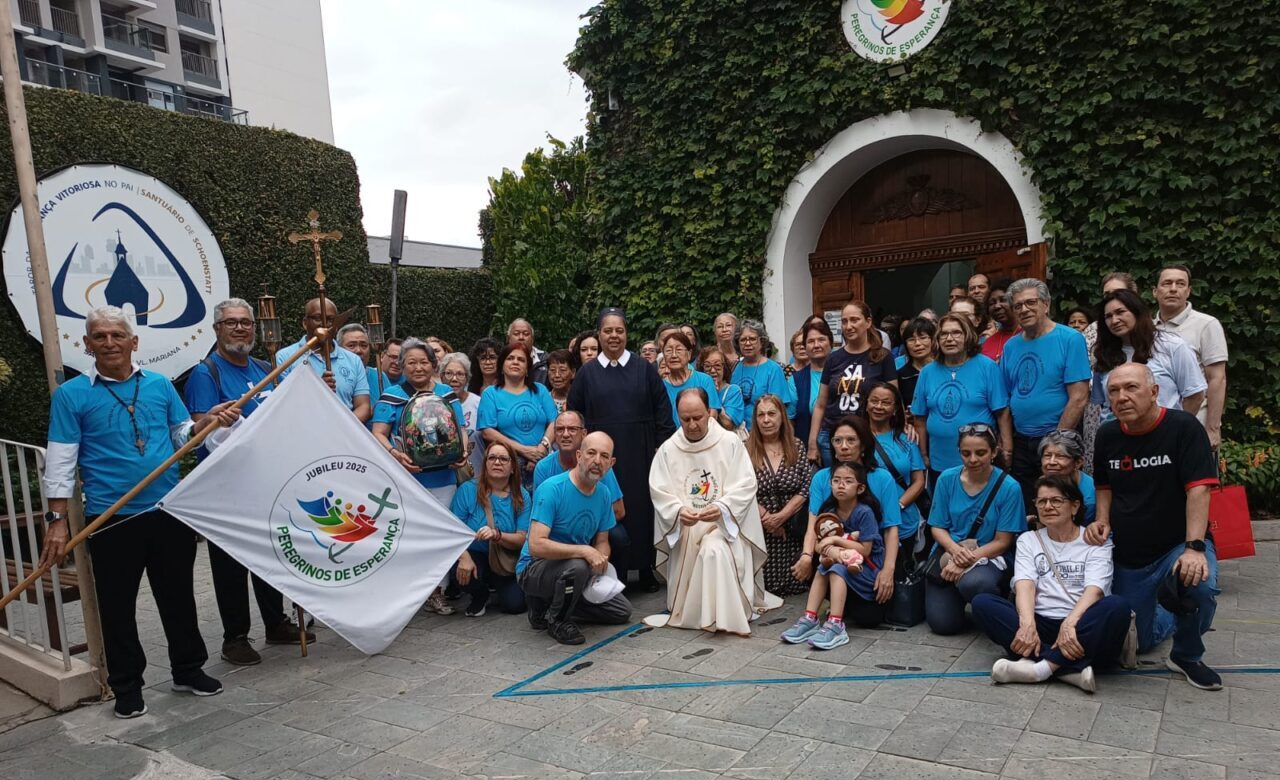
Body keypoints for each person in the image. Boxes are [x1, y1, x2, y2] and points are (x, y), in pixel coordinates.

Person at [41, 306, 241, 718]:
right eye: (100, 336)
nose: (109, 343)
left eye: (117, 335)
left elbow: (181, 433)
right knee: (117, 606)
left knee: (178, 596)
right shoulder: (72, 395)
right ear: (87, 344)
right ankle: (128, 686)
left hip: (168, 510)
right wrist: (57, 521)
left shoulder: (160, 385)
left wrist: (209, 423)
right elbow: (61, 461)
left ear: (134, 342)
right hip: (111, 518)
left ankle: (188, 669)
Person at [184, 299, 311, 666]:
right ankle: (235, 637)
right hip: (227, 489)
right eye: (231, 323)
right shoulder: (207, 373)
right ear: (217, 330)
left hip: (267, 481)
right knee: (231, 564)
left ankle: (276, 622)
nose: (239, 329)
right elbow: (200, 431)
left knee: (272, 554)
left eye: (245, 323)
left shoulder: (265, 368)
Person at [1085, 363, 1223, 690]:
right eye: (1114, 391)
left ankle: (1187, 654)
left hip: (1177, 545)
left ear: (1154, 391)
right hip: (1130, 554)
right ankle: (1174, 614)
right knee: (1141, 641)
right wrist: (1101, 521)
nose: (1121, 397)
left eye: (1131, 388)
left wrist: (1194, 548)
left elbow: (1199, 489)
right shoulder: (1107, 434)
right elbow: (1104, 486)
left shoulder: (1184, 427)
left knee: (1198, 585)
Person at [972, 474, 1130, 692]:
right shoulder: (1029, 539)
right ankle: (1069, 670)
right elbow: (1025, 584)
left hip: (1083, 627)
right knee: (983, 603)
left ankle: (1040, 669)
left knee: (1117, 606)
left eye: (1056, 501)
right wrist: (1027, 624)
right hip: (1041, 625)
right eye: (1042, 501)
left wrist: (1070, 623)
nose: (1048, 506)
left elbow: (1095, 590)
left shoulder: (1095, 541)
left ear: (1074, 506)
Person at [650, 389, 779, 634]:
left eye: (697, 417)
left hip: (724, 526)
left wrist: (722, 508)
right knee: (692, 539)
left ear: (709, 413)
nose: (692, 425)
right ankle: (694, 609)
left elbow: (746, 484)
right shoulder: (669, 449)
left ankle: (723, 614)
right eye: (685, 419)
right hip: (687, 526)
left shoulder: (729, 442)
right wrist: (678, 512)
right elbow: (659, 490)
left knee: (714, 550)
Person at [568, 308, 675, 592]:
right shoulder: (587, 374)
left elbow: (663, 413)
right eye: (608, 330)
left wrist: (659, 452)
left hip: (641, 456)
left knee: (643, 512)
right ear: (599, 334)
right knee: (609, 513)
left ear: (626, 333)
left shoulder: (644, 369)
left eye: (619, 330)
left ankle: (646, 568)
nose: (614, 336)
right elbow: (575, 416)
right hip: (600, 461)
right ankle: (615, 569)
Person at [518, 431, 633, 644]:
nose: (597, 461)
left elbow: (602, 541)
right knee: (578, 566)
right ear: (579, 456)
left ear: (611, 463)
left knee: (621, 611)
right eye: (591, 453)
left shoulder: (604, 494)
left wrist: (601, 560)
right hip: (535, 568)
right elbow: (536, 545)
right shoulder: (552, 489)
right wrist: (585, 552)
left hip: (573, 569)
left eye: (604, 456)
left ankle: (552, 603)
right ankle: (558, 621)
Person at [925, 423, 1027, 635]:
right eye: (966, 453)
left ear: (994, 452)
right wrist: (955, 552)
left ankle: (996, 605)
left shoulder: (1009, 487)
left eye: (981, 453)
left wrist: (965, 560)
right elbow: (937, 527)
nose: (973, 459)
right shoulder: (946, 479)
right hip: (950, 550)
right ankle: (955, 602)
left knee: (974, 583)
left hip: (990, 555)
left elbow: (1003, 541)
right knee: (943, 625)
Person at [795, 415, 905, 607]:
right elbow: (813, 525)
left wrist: (888, 571)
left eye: (851, 440)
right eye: (838, 441)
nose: (844, 446)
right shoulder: (822, 478)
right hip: (832, 551)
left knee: (868, 619)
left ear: (863, 446)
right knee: (805, 558)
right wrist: (806, 555)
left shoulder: (882, 478)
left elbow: (891, 529)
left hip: (870, 556)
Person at [1001, 279, 1091, 508]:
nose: (1024, 309)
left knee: (1058, 502)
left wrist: (1055, 444)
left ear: (1046, 304)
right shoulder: (1011, 346)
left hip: (1057, 439)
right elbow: (1008, 398)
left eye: (1031, 302)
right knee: (1027, 505)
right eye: (1018, 305)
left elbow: (1079, 397)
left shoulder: (1070, 339)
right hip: (1022, 440)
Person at [781, 461, 886, 648]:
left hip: (867, 568)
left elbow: (865, 550)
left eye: (847, 481)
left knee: (836, 569)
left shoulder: (865, 512)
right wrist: (827, 548)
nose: (841, 485)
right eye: (836, 480)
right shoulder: (829, 512)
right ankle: (810, 618)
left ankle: (836, 624)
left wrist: (836, 541)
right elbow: (820, 544)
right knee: (823, 567)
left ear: (860, 488)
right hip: (843, 563)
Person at [911, 315, 1011, 484]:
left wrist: (1007, 451)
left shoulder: (987, 367)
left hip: (979, 462)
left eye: (956, 333)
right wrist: (923, 456)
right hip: (939, 463)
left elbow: (1003, 414)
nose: (949, 339)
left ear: (968, 336)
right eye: (943, 334)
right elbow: (919, 419)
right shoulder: (927, 372)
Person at [371, 337, 469, 507]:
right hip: (405, 479)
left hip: (445, 479)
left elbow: (461, 429)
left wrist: (463, 451)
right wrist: (395, 454)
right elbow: (378, 433)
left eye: (424, 362)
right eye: (411, 363)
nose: (418, 368)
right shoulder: (391, 395)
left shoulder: (446, 393)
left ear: (433, 364)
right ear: (402, 366)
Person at [1093, 289, 1206, 424]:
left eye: (1120, 312)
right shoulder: (1104, 354)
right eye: (1108, 316)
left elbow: (1195, 395)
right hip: (1118, 438)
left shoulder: (1172, 346)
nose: (1114, 320)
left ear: (1137, 311)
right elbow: (1103, 403)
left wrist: (1176, 430)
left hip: (1164, 436)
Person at [808, 301, 897, 467]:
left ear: (868, 322)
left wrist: (901, 428)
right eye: (844, 321)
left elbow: (894, 400)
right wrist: (812, 443)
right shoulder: (833, 359)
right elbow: (821, 404)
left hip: (867, 437)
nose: (848, 326)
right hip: (832, 437)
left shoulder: (883, 357)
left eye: (854, 320)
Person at [450, 441, 531, 616]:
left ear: (513, 468)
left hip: (505, 556)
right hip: (474, 554)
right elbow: (452, 531)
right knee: (458, 571)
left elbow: (522, 539)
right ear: (485, 463)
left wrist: (497, 535)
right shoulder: (467, 490)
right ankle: (480, 594)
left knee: (516, 606)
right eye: (492, 457)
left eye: (503, 459)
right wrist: (464, 557)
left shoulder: (522, 495)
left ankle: (497, 585)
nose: (497, 462)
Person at [1154, 266, 1229, 449]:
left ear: (1188, 292)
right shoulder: (1147, 328)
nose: (1173, 288)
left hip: (1196, 422)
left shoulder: (1206, 325)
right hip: (1156, 425)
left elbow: (1217, 378)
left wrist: (1212, 428)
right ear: (1155, 291)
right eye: (1167, 283)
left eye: (1180, 284)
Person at [747, 394, 813, 596]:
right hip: (760, 529)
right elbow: (740, 489)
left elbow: (805, 487)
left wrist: (781, 517)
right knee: (764, 587)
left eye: (771, 414)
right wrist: (768, 519)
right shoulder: (744, 449)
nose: (766, 420)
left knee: (797, 585)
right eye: (761, 415)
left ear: (782, 417)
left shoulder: (797, 446)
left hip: (792, 528)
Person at [275, 297, 371, 422]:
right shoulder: (286, 357)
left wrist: (343, 427)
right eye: (317, 318)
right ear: (305, 323)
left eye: (331, 320)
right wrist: (317, 389)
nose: (325, 325)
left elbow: (363, 406)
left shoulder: (353, 360)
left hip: (343, 433)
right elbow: (281, 403)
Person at [1083, 272, 1140, 473]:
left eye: (1118, 293)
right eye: (1107, 294)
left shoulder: (1158, 338)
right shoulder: (1094, 332)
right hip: (1104, 415)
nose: (1112, 299)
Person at [478, 342, 557, 485]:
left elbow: (555, 421)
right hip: (509, 464)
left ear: (527, 368)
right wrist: (524, 451)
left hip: (543, 461)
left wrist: (542, 447)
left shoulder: (540, 390)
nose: (515, 362)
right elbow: (487, 432)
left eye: (521, 360)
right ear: (501, 365)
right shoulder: (491, 394)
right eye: (510, 358)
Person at [867, 383, 927, 563]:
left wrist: (897, 506)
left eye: (886, 402)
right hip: (868, 519)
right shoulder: (856, 437)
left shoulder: (906, 438)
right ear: (866, 404)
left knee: (901, 572)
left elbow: (918, 481)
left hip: (904, 517)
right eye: (874, 401)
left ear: (895, 409)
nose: (879, 406)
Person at [534, 411, 626, 527]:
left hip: (593, 526)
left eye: (572, 429)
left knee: (619, 537)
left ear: (584, 433)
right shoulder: (544, 467)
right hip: (555, 530)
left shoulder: (598, 464)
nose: (566, 434)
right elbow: (539, 513)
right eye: (560, 429)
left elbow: (618, 511)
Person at [731, 320, 795, 429]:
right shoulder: (736, 367)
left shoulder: (773, 369)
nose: (747, 343)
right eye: (743, 340)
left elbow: (779, 406)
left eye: (752, 339)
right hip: (739, 433)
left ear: (762, 342)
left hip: (765, 431)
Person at [660, 331, 721, 426]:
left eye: (679, 350)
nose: (674, 355)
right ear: (663, 355)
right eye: (668, 351)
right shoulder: (660, 386)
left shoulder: (704, 380)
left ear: (689, 354)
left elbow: (712, 414)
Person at [792, 320, 832, 461]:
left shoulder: (843, 374)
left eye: (821, 339)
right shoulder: (794, 380)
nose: (816, 345)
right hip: (807, 454)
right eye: (811, 341)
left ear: (830, 342)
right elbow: (790, 422)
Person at [1038, 429, 1096, 524]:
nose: (1051, 462)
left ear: (1078, 462)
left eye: (1060, 456)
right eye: (1047, 456)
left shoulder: (1089, 498)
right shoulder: (1043, 482)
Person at [441, 352, 483, 476]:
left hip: (476, 472)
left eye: (460, 374)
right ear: (441, 376)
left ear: (467, 378)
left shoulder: (479, 403)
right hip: (445, 474)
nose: (454, 379)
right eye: (449, 373)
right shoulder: (434, 404)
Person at [701, 346, 745, 431]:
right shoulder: (697, 390)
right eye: (707, 366)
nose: (713, 370)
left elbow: (728, 425)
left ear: (724, 367)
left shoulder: (733, 391)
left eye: (717, 366)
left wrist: (713, 395)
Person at [896, 317, 936, 411]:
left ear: (933, 340)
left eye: (923, 338)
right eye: (911, 339)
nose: (917, 343)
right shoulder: (901, 376)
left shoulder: (945, 371)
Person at [980, 278, 1020, 363]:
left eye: (1003, 300)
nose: (997, 306)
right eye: (992, 303)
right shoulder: (987, 343)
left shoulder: (1031, 335)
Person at [507, 318, 548, 385]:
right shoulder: (501, 359)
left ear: (532, 339)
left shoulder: (546, 360)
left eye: (526, 334)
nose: (521, 337)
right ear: (508, 338)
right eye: (516, 334)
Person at [545, 349, 575, 413]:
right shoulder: (543, 399)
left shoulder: (580, 399)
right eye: (552, 370)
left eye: (562, 370)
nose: (557, 375)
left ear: (573, 372)